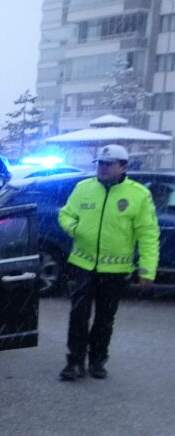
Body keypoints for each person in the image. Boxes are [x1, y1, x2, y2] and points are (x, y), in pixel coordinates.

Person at [57, 144, 160, 381]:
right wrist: (75, 228)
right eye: (100, 164)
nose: (102, 168)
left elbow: (148, 234)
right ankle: (74, 362)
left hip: (116, 269)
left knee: (105, 318)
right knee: (79, 315)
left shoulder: (138, 194)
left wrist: (147, 269)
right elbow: (65, 214)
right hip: (83, 265)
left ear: (123, 167)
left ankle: (97, 360)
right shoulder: (84, 188)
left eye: (108, 164)